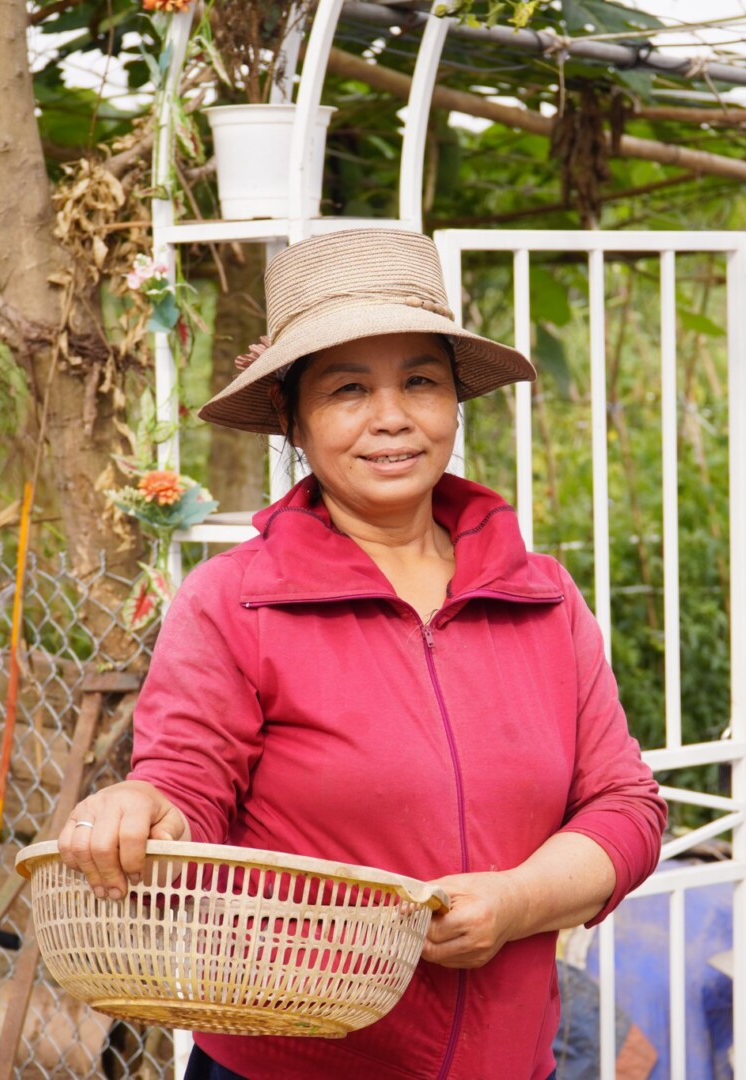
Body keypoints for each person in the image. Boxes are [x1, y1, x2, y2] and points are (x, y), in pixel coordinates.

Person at [58, 228, 668, 1080]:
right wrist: (139, 805)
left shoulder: (542, 598)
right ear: (292, 419)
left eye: (420, 380)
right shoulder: (238, 601)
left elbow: (625, 808)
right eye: (349, 389)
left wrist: (516, 901)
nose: (392, 417)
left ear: (456, 401)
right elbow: (187, 786)